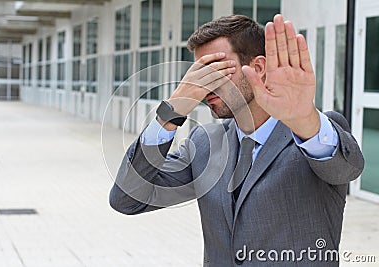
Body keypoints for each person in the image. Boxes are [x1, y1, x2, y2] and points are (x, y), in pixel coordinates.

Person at [109, 14, 364, 266]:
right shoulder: (205, 144)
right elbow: (128, 199)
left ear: (258, 68)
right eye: (199, 75)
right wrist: (171, 112)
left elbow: (345, 169)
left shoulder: (312, 134)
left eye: (217, 71)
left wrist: (304, 118)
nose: (205, 87)